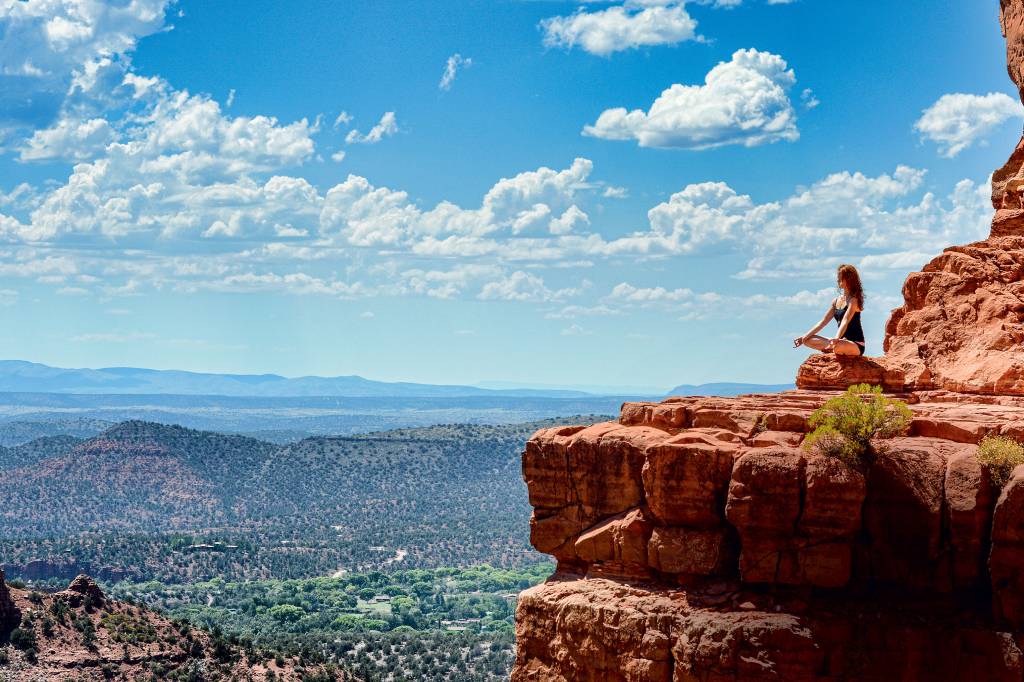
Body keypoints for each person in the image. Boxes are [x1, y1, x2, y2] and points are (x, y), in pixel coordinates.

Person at [793, 264, 866, 356]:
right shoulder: (836, 301)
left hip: (855, 344)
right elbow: (823, 321)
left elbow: (845, 321)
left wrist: (836, 339)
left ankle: (833, 348)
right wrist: (804, 336)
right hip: (839, 341)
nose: (838, 279)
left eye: (840, 277)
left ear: (848, 279)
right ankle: (832, 348)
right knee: (807, 340)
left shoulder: (853, 300)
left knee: (838, 346)